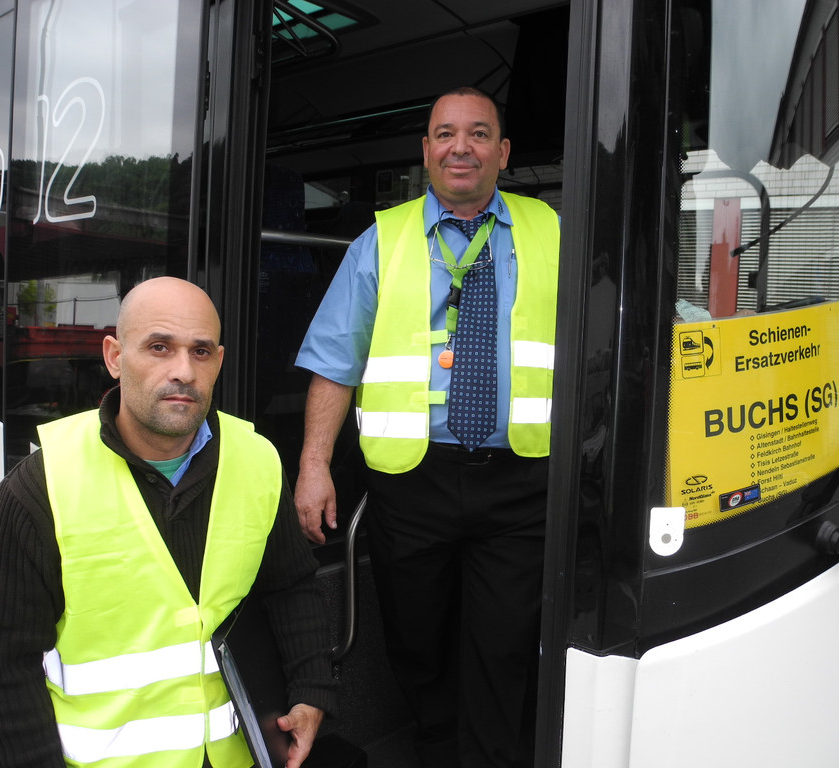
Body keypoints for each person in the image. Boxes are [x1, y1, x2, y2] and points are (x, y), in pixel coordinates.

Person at [0, 277, 337, 768]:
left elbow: (291, 586)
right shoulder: (40, 486)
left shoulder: (258, 459)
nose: (183, 371)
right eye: (159, 347)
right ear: (115, 357)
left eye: (200, 352)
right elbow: (1, 671)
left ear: (219, 361)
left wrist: (311, 690)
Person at [294, 86, 560, 768]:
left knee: (505, 644)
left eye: (478, 133)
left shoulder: (556, 231)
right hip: (412, 482)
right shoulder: (379, 241)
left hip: (522, 482)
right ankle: (439, 753)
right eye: (445, 134)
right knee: (418, 644)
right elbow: (334, 362)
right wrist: (314, 465)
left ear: (503, 152)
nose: (459, 147)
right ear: (426, 150)